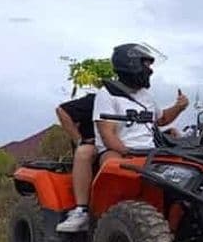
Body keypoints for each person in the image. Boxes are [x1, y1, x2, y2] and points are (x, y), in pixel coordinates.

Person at [59, 43, 189, 232]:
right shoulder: (108, 94)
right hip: (118, 151)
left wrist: (179, 106)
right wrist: (128, 153)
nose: (150, 71)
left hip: (150, 152)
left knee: (183, 179)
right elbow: (107, 134)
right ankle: (84, 211)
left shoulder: (146, 96)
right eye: (146, 65)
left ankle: (173, 232)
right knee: (115, 168)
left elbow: (161, 119)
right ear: (131, 65)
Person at [54, 91, 97, 232]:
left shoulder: (141, 100)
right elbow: (62, 110)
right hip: (96, 146)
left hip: (129, 145)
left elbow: (159, 119)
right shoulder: (98, 99)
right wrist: (79, 140)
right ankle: (82, 209)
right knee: (84, 152)